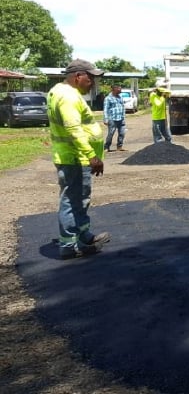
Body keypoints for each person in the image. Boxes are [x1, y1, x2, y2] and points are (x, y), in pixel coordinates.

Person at [47, 59, 111, 259]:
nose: (91, 82)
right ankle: (69, 246)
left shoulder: (61, 91)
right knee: (71, 201)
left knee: (80, 199)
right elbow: (73, 129)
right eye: (90, 77)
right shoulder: (67, 97)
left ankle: (83, 235)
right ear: (78, 76)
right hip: (74, 157)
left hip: (74, 156)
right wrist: (92, 156)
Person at [103, 84, 127, 152]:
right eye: (119, 88)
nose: (120, 90)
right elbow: (105, 109)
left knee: (122, 133)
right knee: (111, 133)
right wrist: (105, 119)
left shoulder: (120, 97)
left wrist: (124, 116)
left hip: (121, 118)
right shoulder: (108, 98)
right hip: (112, 119)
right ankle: (106, 147)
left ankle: (119, 146)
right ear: (114, 89)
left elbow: (122, 107)